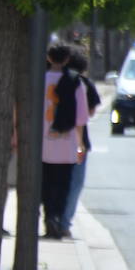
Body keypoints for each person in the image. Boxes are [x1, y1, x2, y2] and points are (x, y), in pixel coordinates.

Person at [41, 43, 88, 240]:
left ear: (49, 58)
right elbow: (81, 117)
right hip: (66, 140)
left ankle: (49, 215)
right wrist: (80, 143)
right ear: (67, 59)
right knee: (64, 183)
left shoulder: (39, 78)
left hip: (43, 140)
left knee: (46, 182)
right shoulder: (76, 81)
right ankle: (59, 219)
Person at [62, 46, 100, 237]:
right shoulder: (84, 83)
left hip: (52, 140)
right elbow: (90, 112)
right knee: (75, 184)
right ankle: (64, 222)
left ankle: (52, 216)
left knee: (55, 181)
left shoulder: (49, 80)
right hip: (78, 141)